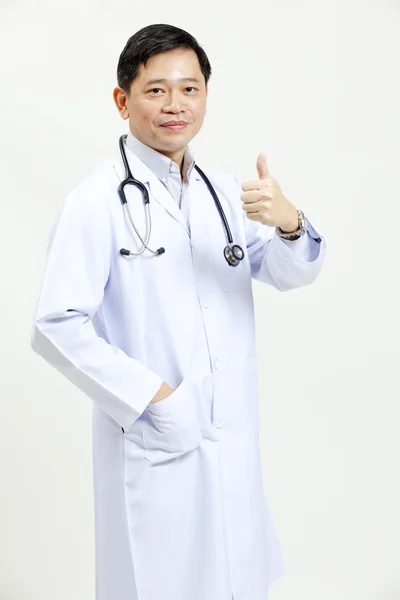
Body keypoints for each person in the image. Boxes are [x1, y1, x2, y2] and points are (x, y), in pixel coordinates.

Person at [31, 23, 326, 600]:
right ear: (123, 101)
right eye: (156, 90)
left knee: (234, 582)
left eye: (189, 89)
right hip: (157, 439)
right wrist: (154, 397)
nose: (175, 105)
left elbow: (290, 272)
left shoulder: (223, 193)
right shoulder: (95, 202)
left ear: (206, 97)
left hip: (230, 442)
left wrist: (290, 222)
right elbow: (56, 324)